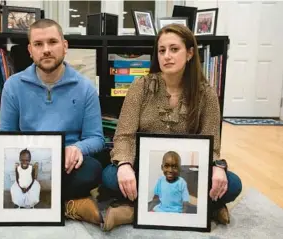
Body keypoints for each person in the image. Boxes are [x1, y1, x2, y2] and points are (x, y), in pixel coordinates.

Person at [0, 19, 105, 226]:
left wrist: (77, 148)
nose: (46, 50)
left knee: (93, 170)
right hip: (24, 159)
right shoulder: (14, 85)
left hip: (64, 165)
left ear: (65, 46)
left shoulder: (85, 88)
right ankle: (69, 203)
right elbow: (6, 132)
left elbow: (96, 138)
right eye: (39, 44)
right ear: (30, 50)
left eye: (52, 42)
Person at [101, 24, 242, 231]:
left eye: (174, 49)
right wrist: (124, 165)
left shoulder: (206, 94)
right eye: (162, 50)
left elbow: (212, 144)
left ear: (190, 53)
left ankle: (131, 209)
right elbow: (124, 135)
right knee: (110, 177)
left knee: (232, 184)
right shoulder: (141, 86)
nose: (167, 56)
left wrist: (218, 168)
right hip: (143, 167)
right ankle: (209, 208)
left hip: (185, 173)